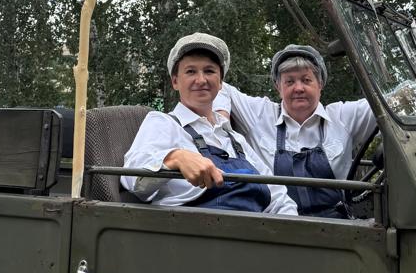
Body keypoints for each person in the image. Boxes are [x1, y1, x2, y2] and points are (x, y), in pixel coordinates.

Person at [121, 33, 298, 216]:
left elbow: (278, 196)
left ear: (220, 82)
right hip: (193, 229)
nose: (201, 80)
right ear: (175, 81)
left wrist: (292, 226)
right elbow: (133, 179)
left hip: (254, 229)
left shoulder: (235, 140)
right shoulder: (163, 123)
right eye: (191, 71)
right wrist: (175, 158)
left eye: (209, 71)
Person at [214, 44, 378, 219]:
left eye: (306, 80)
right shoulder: (260, 115)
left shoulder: (343, 117)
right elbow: (218, 85)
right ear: (278, 86)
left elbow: (391, 104)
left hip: (337, 225)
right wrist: (221, 117)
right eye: (289, 81)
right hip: (278, 225)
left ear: (320, 84)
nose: (298, 88)